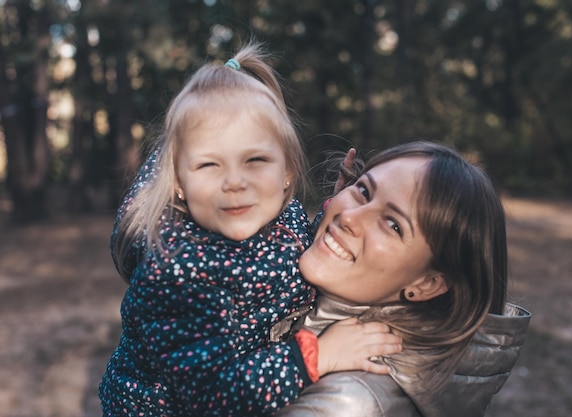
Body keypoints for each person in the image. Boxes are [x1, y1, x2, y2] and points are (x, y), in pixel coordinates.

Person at [98, 42, 402, 417]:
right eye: (210, 165)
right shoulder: (176, 272)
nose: (235, 183)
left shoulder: (284, 218)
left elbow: (292, 253)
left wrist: (335, 214)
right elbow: (213, 395)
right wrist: (317, 355)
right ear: (179, 182)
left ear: (287, 173)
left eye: (255, 160)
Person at [273, 141, 531, 417]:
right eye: (363, 191)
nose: (348, 217)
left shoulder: (347, 403)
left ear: (426, 284)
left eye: (393, 225)